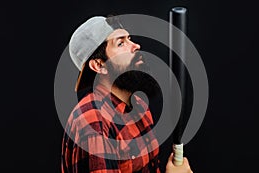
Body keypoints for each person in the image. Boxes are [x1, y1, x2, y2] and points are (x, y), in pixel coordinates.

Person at [61, 15, 193, 173]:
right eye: (121, 43)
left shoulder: (138, 106)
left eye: (129, 39)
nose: (136, 45)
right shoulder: (93, 124)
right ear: (99, 65)